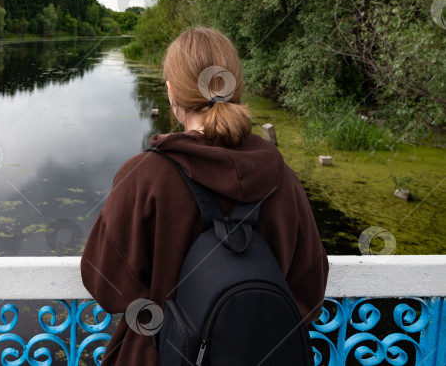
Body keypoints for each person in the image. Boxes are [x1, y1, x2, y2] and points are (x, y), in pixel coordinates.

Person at [80, 27, 329, 365]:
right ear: (236, 89)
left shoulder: (144, 176)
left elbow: (105, 279)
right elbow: (310, 291)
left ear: (171, 94)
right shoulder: (282, 178)